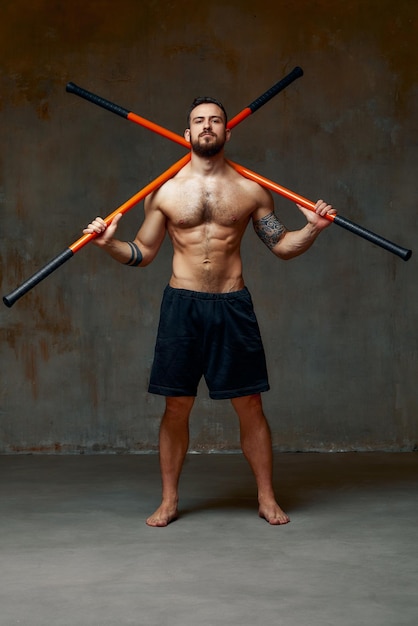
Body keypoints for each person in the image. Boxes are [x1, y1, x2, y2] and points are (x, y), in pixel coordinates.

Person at [83, 96, 336, 527]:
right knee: (176, 406)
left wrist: (312, 228)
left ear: (227, 131)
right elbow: (142, 252)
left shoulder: (250, 190)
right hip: (181, 306)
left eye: (215, 121)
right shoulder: (163, 191)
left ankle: (266, 497)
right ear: (186, 133)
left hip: (231, 305)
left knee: (250, 404)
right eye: (198, 121)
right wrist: (108, 244)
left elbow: (282, 246)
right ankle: (168, 500)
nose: (207, 126)